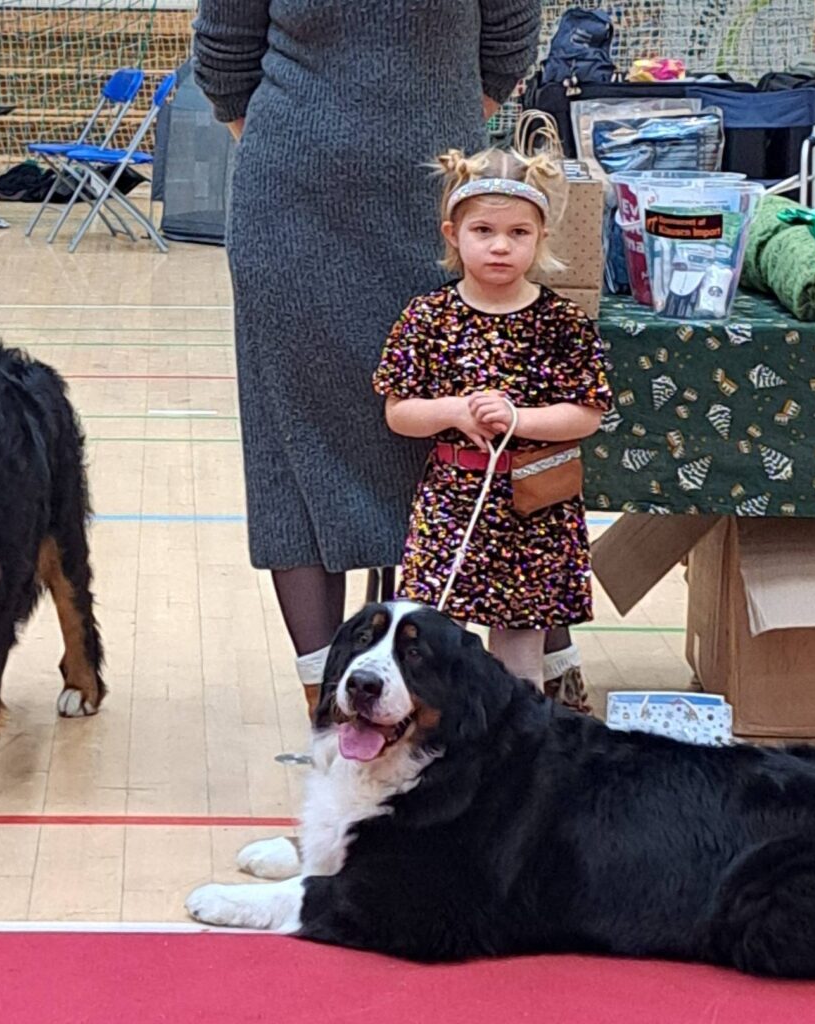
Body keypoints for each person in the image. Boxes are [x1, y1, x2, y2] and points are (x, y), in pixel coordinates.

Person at [192, 1, 542, 713]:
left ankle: (422, 694)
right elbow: (223, 57)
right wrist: (318, 144)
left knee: (447, 440)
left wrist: (419, 136)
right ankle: (327, 703)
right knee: (294, 450)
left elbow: (510, 43)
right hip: (294, 210)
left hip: (439, 211)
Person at [373, 139, 611, 686]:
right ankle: (440, 736)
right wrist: (455, 411)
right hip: (450, 505)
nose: (501, 246)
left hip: (536, 510)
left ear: (541, 237)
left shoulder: (564, 323)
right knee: (431, 646)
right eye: (483, 230)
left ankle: (516, 737)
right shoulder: (427, 316)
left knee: (520, 655)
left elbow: (587, 414)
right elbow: (399, 412)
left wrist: (518, 420)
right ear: (453, 235)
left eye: (518, 233)